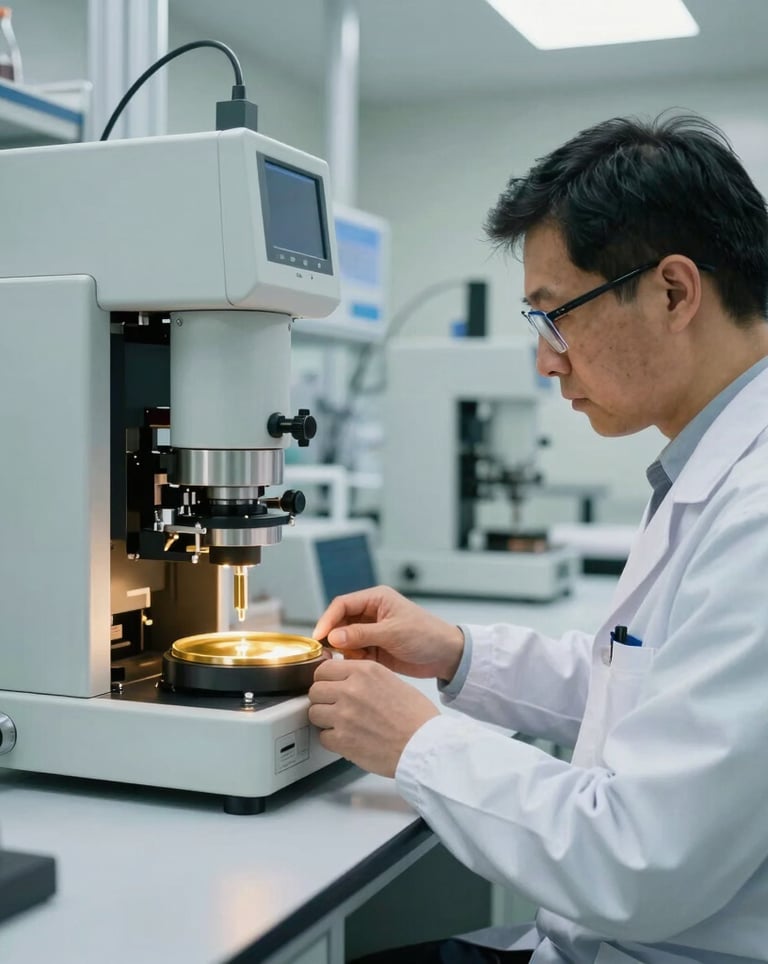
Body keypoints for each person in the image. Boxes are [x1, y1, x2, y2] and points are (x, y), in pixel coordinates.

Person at [307, 112, 768, 964]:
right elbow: (649, 698)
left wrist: (415, 739)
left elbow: (637, 863)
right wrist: (456, 654)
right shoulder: (713, 465)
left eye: (557, 316)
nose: (546, 360)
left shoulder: (756, 514)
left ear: (673, 291)